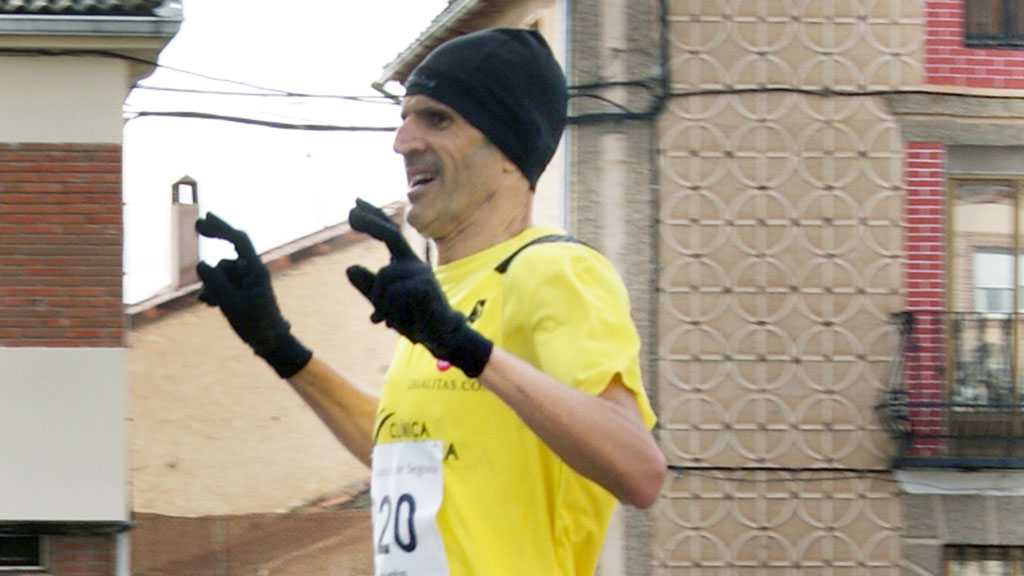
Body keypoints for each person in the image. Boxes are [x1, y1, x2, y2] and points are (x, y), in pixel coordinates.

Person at [194, 27, 666, 576]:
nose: (403, 142)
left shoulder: (552, 268)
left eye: (437, 120)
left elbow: (639, 470)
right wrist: (281, 348)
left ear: (507, 148)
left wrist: (465, 346)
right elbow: (405, 456)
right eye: (405, 119)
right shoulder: (445, 294)